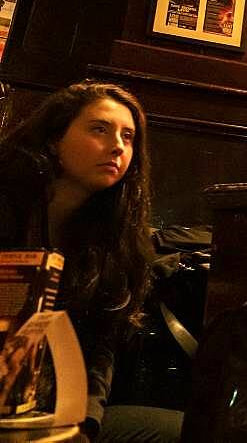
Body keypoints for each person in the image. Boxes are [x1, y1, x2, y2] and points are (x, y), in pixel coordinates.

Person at [0, 81, 182, 441]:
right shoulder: (8, 206)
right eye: (100, 129)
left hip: (49, 409)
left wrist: (85, 424)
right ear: (53, 140)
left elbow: (101, 347)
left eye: (129, 137)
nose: (117, 146)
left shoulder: (112, 240)